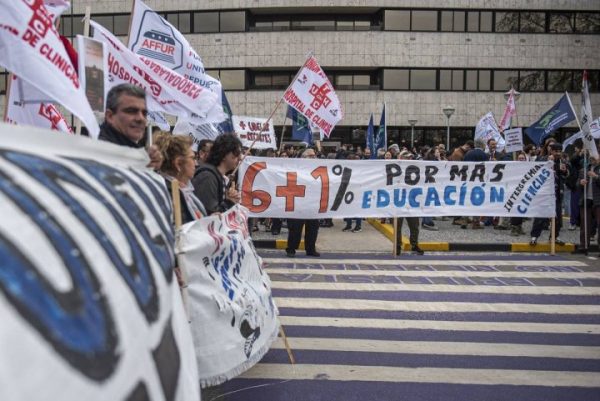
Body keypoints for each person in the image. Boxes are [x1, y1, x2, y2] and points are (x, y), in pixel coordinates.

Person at [99, 83, 162, 169]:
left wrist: (146, 165)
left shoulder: (133, 154)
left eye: (144, 113)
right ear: (110, 116)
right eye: (131, 111)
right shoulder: (98, 154)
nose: (141, 118)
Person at [154, 133, 207, 223]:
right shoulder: (168, 194)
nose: (195, 163)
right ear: (178, 163)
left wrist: (210, 220)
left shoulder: (184, 189)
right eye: (192, 158)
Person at [191, 132, 242, 215]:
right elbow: (209, 215)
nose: (240, 158)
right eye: (236, 154)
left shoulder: (216, 176)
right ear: (224, 154)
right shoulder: (207, 177)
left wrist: (228, 199)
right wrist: (229, 202)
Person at [530, 142, 569, 246]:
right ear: (551, 151)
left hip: (557, 193)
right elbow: (536, 169)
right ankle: (534, 237)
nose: (558, 153)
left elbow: (567, 175)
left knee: (557, 218)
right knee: (540, 217)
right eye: (556, 151)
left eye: (560, 151)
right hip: (545, 193)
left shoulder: (562, 161)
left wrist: (564, 171)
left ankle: (554, 237)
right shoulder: (543, 159)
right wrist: (548, 161)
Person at [286, 148, 321, 257]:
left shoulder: (319, 168)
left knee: (313, 227)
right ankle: (291, 249)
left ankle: (310, 249)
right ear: (303, 157)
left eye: (314, 155)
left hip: (313, 202)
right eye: (311, 156)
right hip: (298, 202)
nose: (314, 157)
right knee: (295, 228)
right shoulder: (296, 167)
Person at [572, 155, 600, 254]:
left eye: (594, 157)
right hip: (585, 200)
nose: (592, 159)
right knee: (584, 225)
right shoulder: (583, 170)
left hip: (598, 201)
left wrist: (596, 176)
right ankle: (583, 246)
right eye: (590, 157)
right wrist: (580, 182)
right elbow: (577, 185)